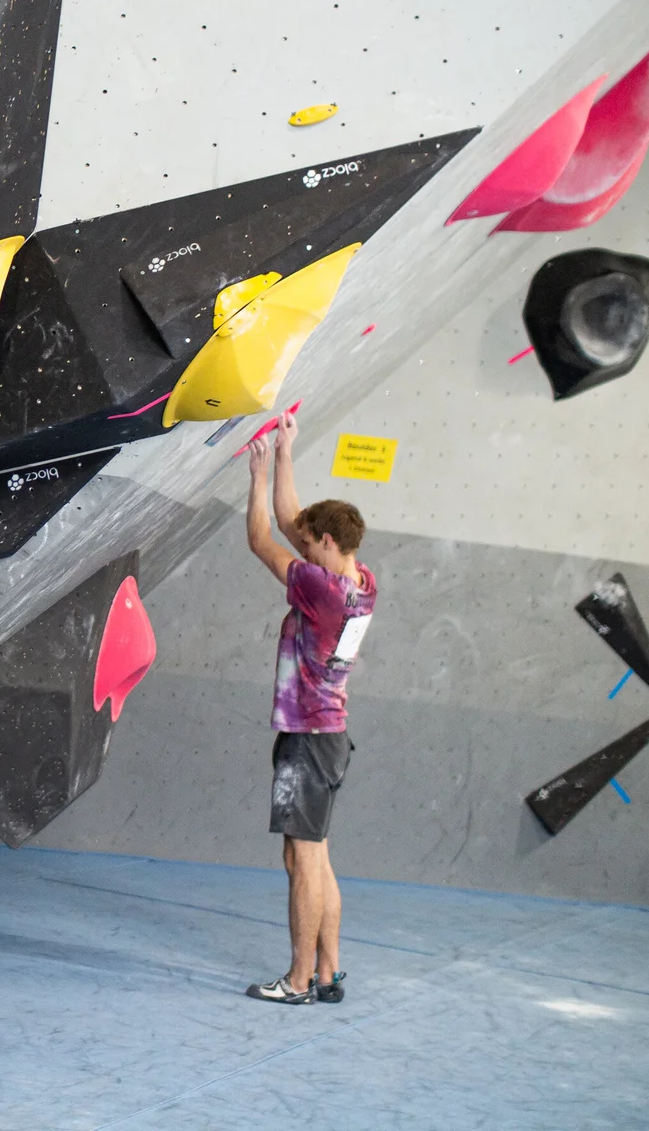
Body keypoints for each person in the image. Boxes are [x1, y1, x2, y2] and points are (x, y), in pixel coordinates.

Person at [241, 411, 375, 1006]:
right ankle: (327, 972)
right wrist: (285, 451)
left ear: (328, 545)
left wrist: (257, 476)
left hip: (307, 739)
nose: (306, 544)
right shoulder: (362, 580)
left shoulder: (321, 590)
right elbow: (295, 523)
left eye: (312, 542)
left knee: (303, 857)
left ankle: (297, 982)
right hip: (331, 736)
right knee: (315, 858)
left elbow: (263, 540)